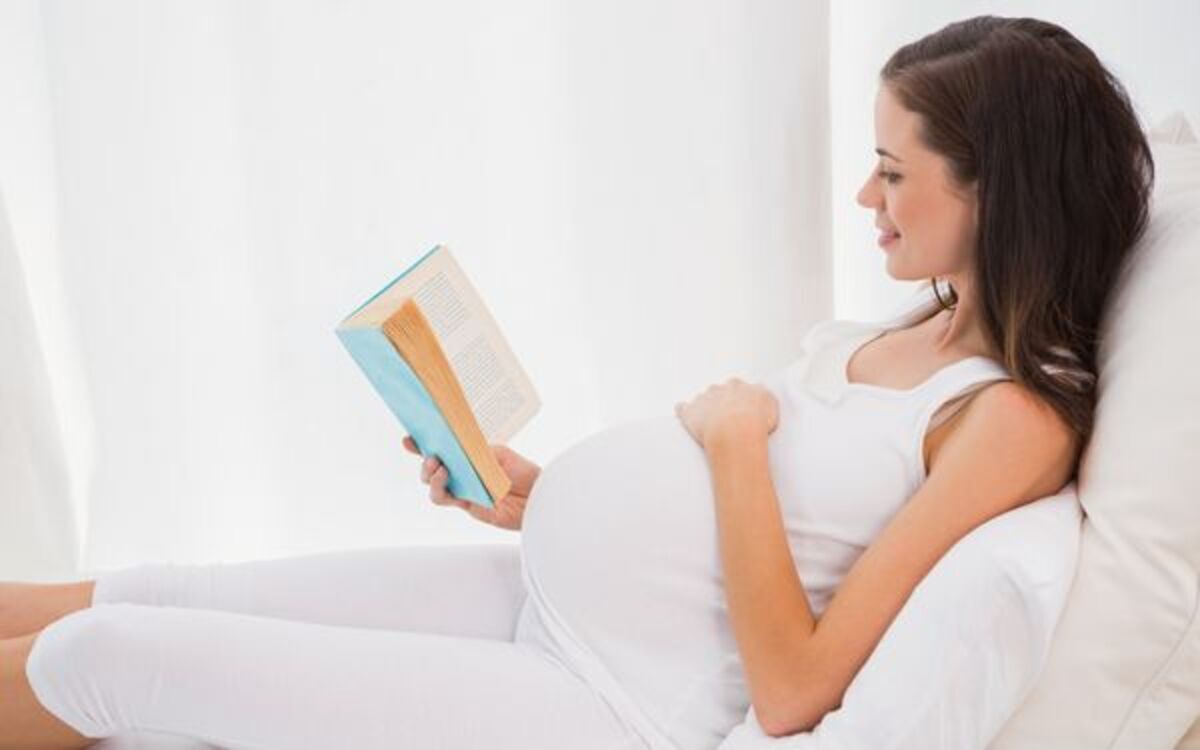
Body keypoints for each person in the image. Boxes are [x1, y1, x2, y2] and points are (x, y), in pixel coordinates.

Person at [0, 14, 1154, 750]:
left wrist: (737, 447)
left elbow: (797, 687)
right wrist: (538, 497)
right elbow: (783, 534)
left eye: (894, 172)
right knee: (155, 592)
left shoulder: (1012, 419)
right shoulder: (922, 320)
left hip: (608, 699)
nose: (866, 199)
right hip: (543, 596)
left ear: (998, 191)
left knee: (105, 659)